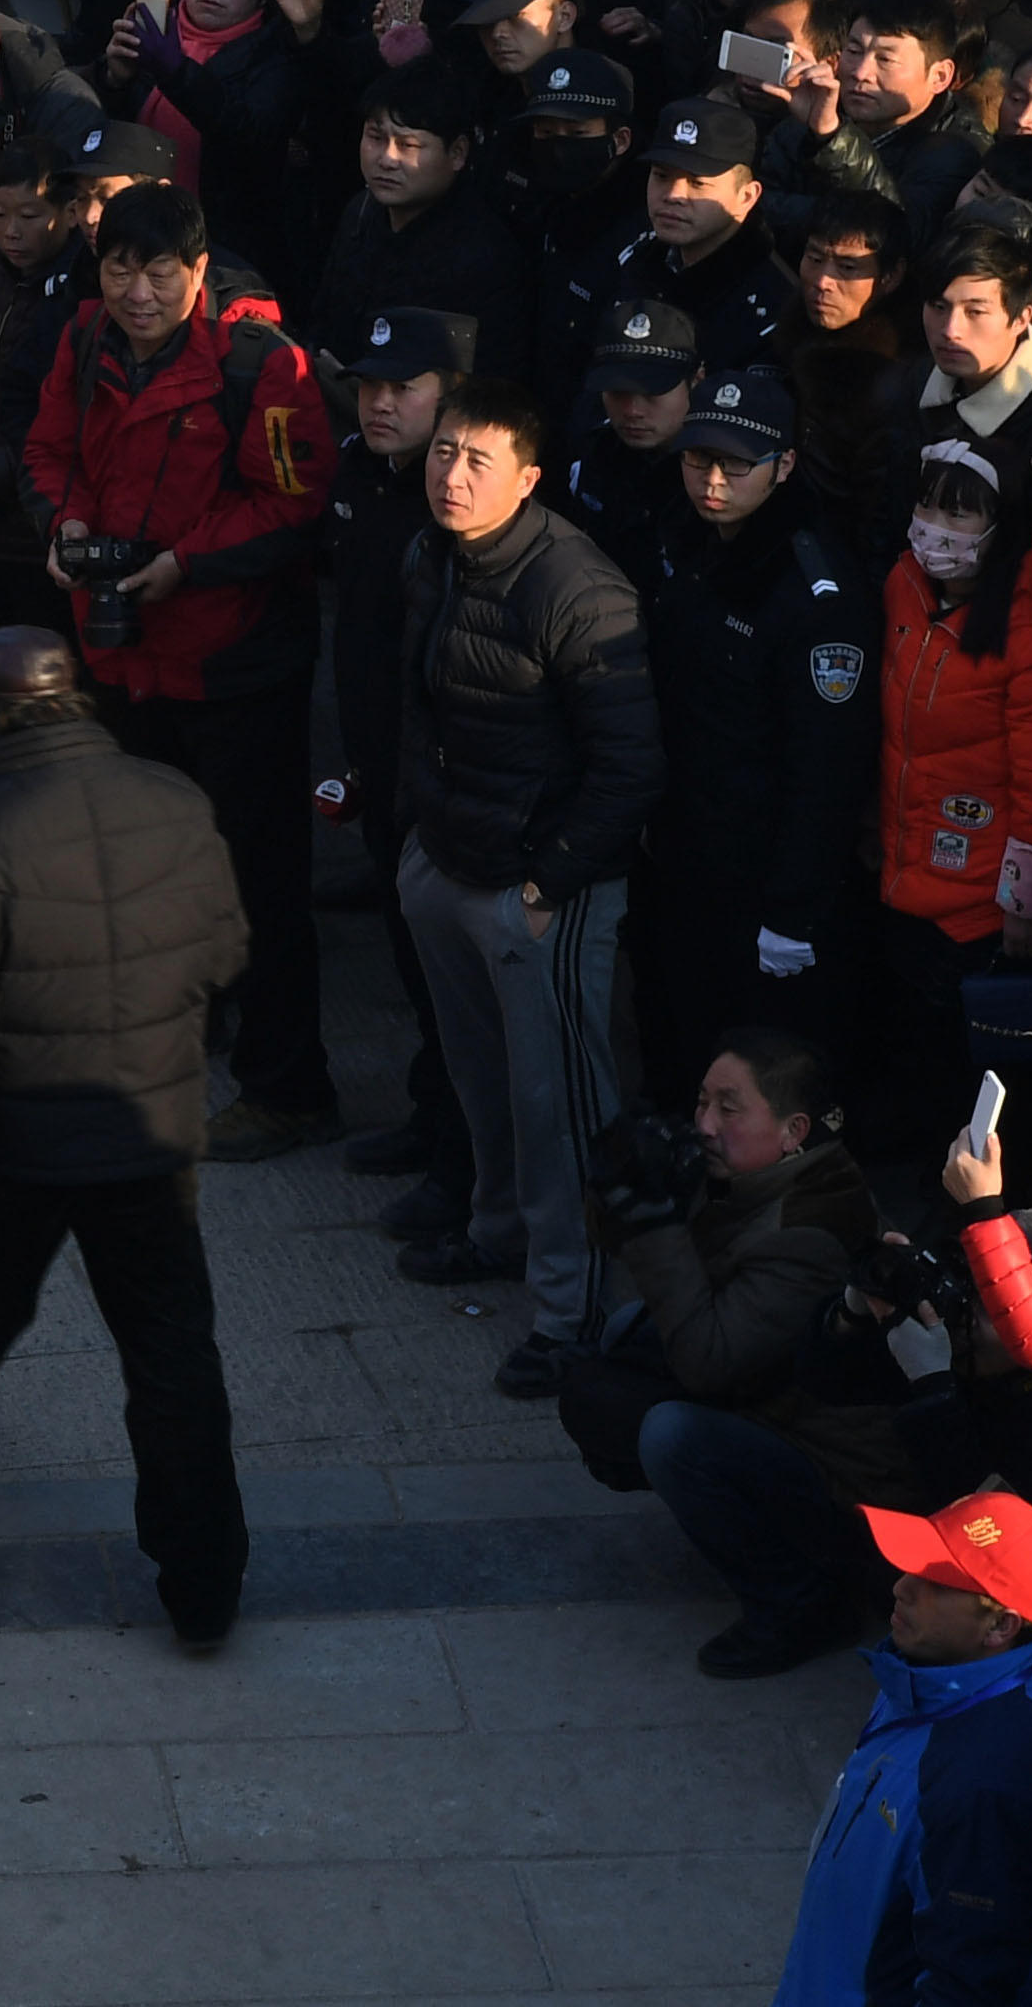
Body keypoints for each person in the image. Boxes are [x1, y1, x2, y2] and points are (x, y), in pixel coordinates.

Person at [0, 628, 252, 1649]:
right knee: (173, 1356)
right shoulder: (175, 796)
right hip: (150, 1128)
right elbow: (226, 951)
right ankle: (205, 1588)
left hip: (26, 1134)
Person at [20, 182, 340, 1157]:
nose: (140, 290)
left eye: (161, 270)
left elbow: (293, 499)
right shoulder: (83, 341)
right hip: (122, 655)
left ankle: (288, 1085)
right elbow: (47, 452)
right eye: (122, 266)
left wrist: (185, 564)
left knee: (257, 879)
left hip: (233, 664)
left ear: (198, 271)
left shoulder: (261, 365)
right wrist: (67, 523)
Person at [394, 378, 667, 1394]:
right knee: (480, 1074)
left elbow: (631, 765)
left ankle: (575, 1310)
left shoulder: (574, 586)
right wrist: (419, 838)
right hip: (449, 859)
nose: (451, 475)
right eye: (443, 453)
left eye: (477, 461)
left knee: (561, 1105)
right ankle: (495, 1229)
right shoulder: (433, 552)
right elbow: (421, 704)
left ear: (530, 478)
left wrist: (549, 881)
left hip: (539, 886)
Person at [561, 1030, 923, 1675]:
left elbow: (709, 1360)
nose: (703, 1125)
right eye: (701, 1102)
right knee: (624, 1333)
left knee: (671, 1435)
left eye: (729, 1109)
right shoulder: (752, 1174)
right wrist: (618, 1179)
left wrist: (654, 1222)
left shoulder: (809, 1230)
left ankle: (800, 1603)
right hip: (779, 1401)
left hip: (845, 1479)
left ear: (793, 1130)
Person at [771, 1492, 1032, 2007]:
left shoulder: (986, 1778)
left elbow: (972, 1982)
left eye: (936, 1583)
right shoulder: (927, 1678)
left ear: (1001, 1626)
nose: (900, 1587)